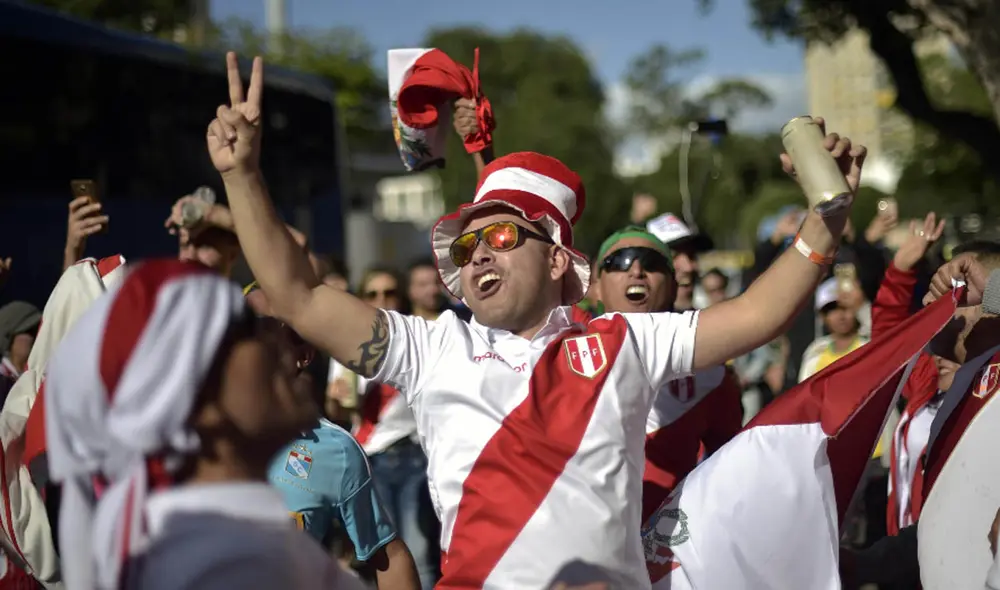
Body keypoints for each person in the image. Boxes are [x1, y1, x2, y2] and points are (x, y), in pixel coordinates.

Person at [208, 52, 865, 587]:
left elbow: (759, 314)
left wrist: (824, 219)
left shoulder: (624, 340)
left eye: (499, 239)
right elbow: (296, 297)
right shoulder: (433, 347)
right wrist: (241, 176)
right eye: (466, 248)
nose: (477, 257)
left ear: (557, 260)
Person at [45, 259, 365, 590]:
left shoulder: (231, 543)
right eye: (251, 329)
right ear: (197, 404)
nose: (282, 343)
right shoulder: (223, 565)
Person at [247, 284, 421, 590]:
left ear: (304, 355)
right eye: (243, 335)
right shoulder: (186, 427)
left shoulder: (335, 451)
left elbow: (389, 556)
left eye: (273, 337)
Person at [586, 226, 742, 519]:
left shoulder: (711, 373)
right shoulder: (554, 357)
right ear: (595, 287)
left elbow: (732, 468)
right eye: (619, 261)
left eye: (652, 263)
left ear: (672, 286)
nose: (636, 271)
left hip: (669, 548)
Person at [329, 267, 439, 588]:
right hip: (369, 461)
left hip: (415, 459)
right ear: (361, 299)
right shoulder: (345, 344)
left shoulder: (419, 340)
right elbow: (337, 409)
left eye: (389, 293)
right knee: (383, 557)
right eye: (373, 294)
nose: (382, 300)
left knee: (419, 553)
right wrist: (337, 400)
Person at [798, 277, 869, 382]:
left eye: (845, 307)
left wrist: (863, 306)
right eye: (832, 310)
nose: (840, 316)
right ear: (823, 316)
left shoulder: (869, 346)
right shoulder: (815, 351)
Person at [644, 213, 713, 311]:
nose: (689, 267)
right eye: (673, 256)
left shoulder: (707, 323)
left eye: (692, 255)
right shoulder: (627, 324)